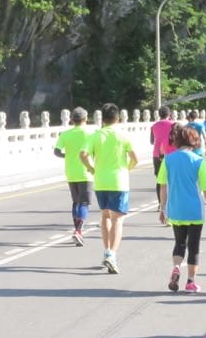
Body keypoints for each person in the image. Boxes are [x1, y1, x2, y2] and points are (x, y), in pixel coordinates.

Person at [158, 124, 206, 293]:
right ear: (194, 140)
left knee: (179, 242)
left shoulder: (168, 160)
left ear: (177, 140)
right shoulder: (198, 161)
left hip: (175, 208)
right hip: (194, 210)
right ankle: (191, 281)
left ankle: (176, 267)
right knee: (194, 246)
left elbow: (163, 185)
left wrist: (162, 208)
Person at [81, 103, 139, 274]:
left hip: (100, 181)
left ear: (102, 119)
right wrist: (126, 169)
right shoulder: (123, 135)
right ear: (118, 118)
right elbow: (135, 159)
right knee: (117, 220)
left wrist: (91, 168)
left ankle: (107, 251)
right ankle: (112, 255)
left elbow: (83, 154)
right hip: (119, 181)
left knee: (105, 216)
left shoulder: (96, 135)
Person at [54, 107, 94, 246]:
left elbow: (56, 152)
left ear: (71, 119)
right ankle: (78, 231)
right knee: (84, 203)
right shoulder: (91, 133)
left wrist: (68, 155)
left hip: (70, 172)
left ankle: (77, 231)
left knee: (76, 202)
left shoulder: (65, 134)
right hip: (86, 172)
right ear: (86, 118)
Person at [150, 107, 177, 209]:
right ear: (169, 114)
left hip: (157, 155)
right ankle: (172, 202)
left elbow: (152, 141)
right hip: (172, 154)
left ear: (159, 114)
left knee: (160, 180)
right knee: (172, 179)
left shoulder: (154, 126)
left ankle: (160, 204)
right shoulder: (174, 124)